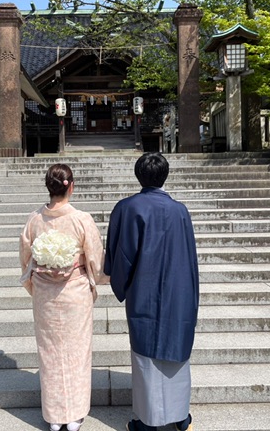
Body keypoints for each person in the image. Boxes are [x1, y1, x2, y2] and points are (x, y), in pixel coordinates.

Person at [104, 152, 199, 431]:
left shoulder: (128, 207)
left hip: (143, 290)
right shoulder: (180, 211)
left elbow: (121, 254)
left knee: (146, 355)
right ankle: (180, 417)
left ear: (138, 175)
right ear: (165, 175)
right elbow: (190, 256)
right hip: (178, 291)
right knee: (176, 351)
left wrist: (119, 283)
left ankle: (147, 422)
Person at [20, 164, 106, 431]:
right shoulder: (81, 219)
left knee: (50, 352)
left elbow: (26, 259)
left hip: (45, 294)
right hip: (75, 291)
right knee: (77, 351)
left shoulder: (35, 219)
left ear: (49, 186)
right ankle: (74, 415)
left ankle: (55, 416)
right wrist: (99, 279)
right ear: (71, 185)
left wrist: (38, 282)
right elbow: (95, 259)